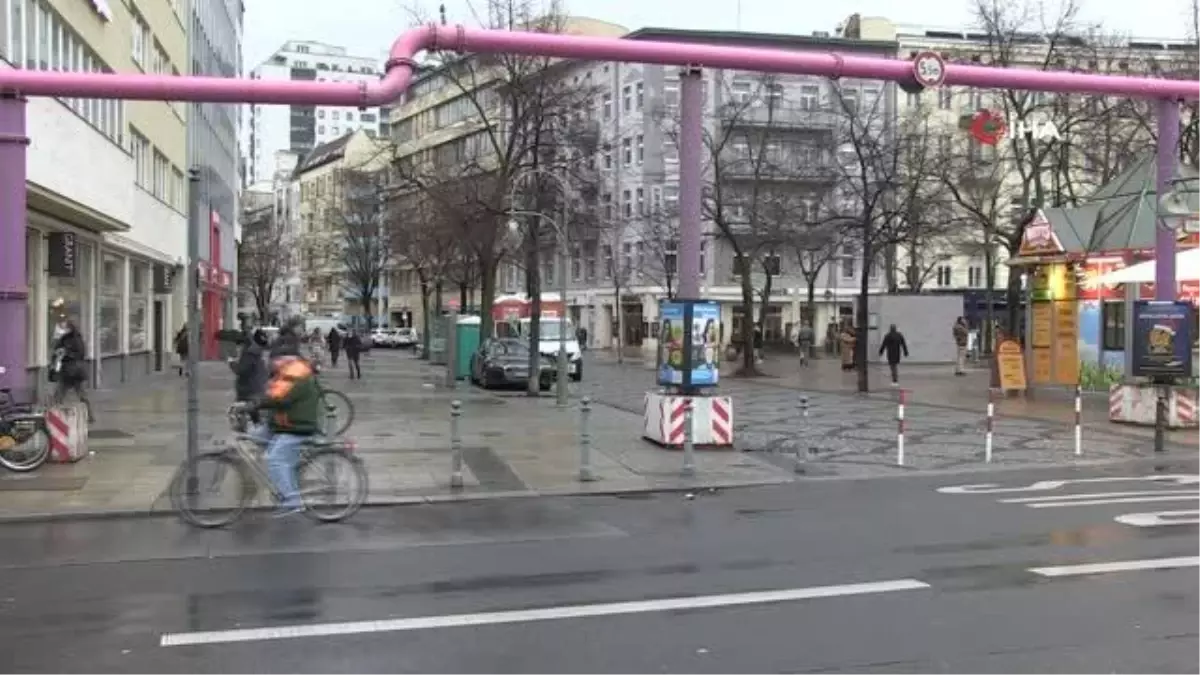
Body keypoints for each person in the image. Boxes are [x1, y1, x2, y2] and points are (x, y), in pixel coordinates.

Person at [254, 354, 321, 516]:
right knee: (255, 438)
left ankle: (293, 502)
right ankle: (285, 480)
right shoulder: (289, 372)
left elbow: (281, 399)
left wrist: (254, 404)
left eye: (276, 359)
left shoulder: (295, 374)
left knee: (275, 459)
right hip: (285, 423)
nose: (273, 362)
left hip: (297, 426)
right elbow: (274, 394)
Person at [50, 317, 93, 424]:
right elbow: (57, 352)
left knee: (61, 393)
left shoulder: (71, 338)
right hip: (73, 372)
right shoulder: (73, 338)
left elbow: (78, 354)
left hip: (71, 372)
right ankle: (90, 415)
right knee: (78, 394)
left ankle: (53, 414)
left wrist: (65, 354)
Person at [229, 329, 270, 429]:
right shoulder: (259, 352)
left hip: (248, 389)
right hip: (258, 387)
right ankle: (256, 429)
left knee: (242, 412)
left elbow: (241, 370)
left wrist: (231, 363)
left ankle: (249, 431)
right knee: (254, 414)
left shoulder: (249, 353)